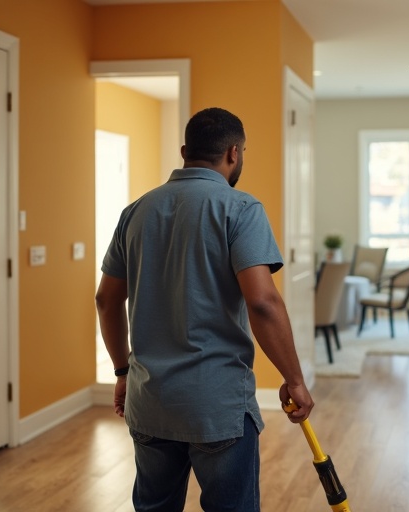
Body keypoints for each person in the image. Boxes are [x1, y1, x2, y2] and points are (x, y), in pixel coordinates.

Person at [95, 107, 314, 512]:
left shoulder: (136, 212)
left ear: (184, 151)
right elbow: (262, 301)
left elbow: (106, 299)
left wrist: (123, 371)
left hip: (151, 400)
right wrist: (294, 378)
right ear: (234, 153)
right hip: (217, 405)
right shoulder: (240, 208)